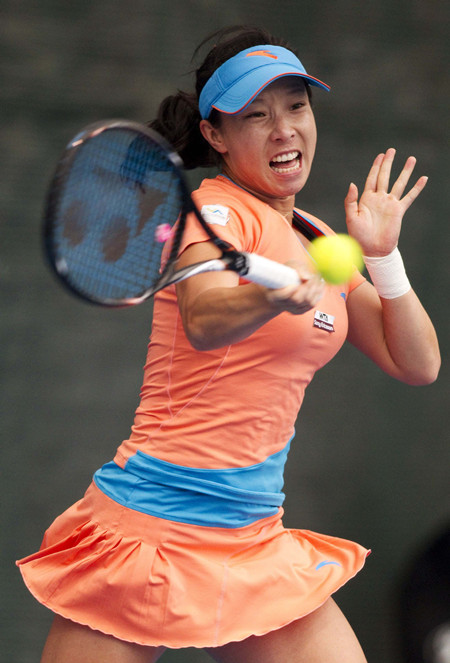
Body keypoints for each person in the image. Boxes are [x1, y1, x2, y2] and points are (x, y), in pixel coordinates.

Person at [17, 25, 440, 663]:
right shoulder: (215, 212)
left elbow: (418, 363)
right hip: (151, 528)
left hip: (250, 537)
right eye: (256, 115)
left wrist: (382, 256)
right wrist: (271, 296)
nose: (284, 130)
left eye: (296, 106)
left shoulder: (314, 235)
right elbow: (205, 314)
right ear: (216, 135)